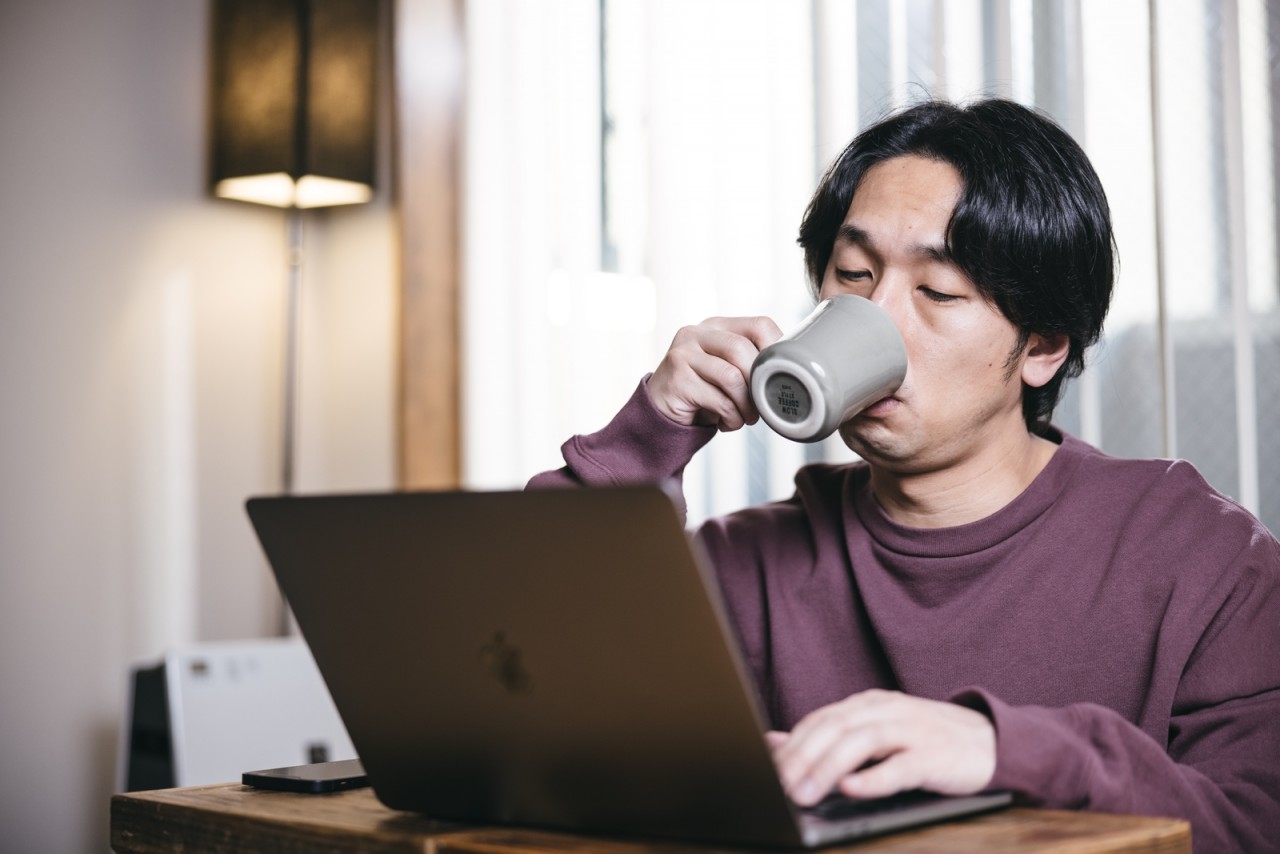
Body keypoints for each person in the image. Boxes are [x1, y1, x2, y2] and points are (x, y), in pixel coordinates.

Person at [528, 98, 1280, 852]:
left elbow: (1256, 822)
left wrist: (1003, 752)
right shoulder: (748, 568)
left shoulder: (1202, 560)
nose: (878, 315)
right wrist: (650, 433)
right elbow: (509, 687)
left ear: (1045, 346)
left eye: (938, 291)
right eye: (853, 275)